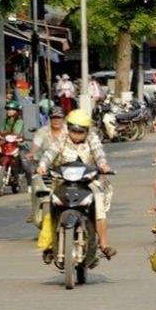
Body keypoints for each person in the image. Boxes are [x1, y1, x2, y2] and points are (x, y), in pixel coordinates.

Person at [36, 109, 116, 259]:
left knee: (99, 207)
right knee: (49, 203)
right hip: (63, 182)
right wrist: (42, 166)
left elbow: (99, 154)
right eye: (74, 131)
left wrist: (103, 165)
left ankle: (104, 245)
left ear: (87, 131)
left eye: (81, 132)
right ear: (69, 128)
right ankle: (51, 244)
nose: (77, 135)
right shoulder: (62, 138)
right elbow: (50, 153)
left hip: (88, 182)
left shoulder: (92, 138)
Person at [26, 106, 67, 224]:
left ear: (63, 119)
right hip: (45, 166)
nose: (56, 121)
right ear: (49, 119)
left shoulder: (68, 131)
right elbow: (36, 144)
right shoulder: (42, 131)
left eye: (59, 118)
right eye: (54, 118)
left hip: (66, 167)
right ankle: (35, 211)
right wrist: (32, 153)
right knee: (35, 183)